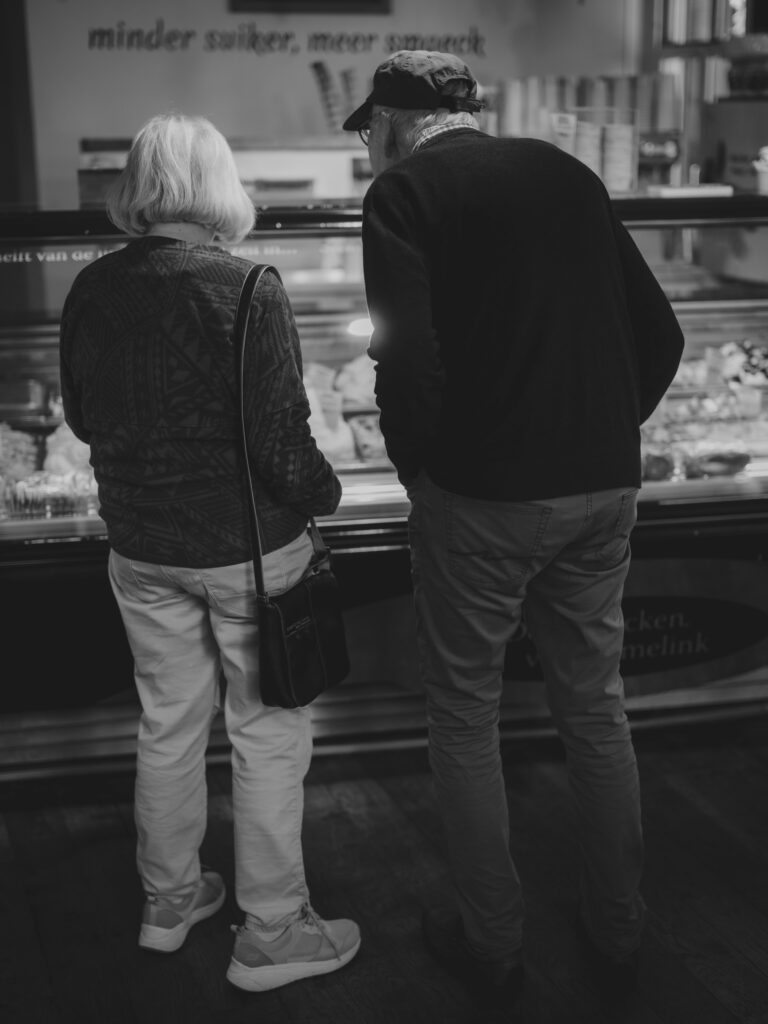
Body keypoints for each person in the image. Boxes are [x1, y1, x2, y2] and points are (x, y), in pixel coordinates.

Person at [343, 50, 684, 1017]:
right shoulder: (568, 174)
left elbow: (406, 359)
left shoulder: (405, 193)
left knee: (464, 714)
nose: (369, 146)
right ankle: (619, 932)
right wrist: (606, 433)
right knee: (596, 708)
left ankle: (492, 948)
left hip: (482, 500)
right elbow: (661, 335)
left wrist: (424, 470)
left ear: (398, 121)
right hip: (603, 487)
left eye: (369, 129)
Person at [59, 113, 360, 992]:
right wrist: (326, 498)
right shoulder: (248, 285)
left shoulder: (91, 288)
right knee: (266, 735)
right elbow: (280, 441)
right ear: (220, 186)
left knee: (167, 723)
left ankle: (170, 902)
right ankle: (271, 933)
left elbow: (81, 418)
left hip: (140, 546)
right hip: (247, 553)